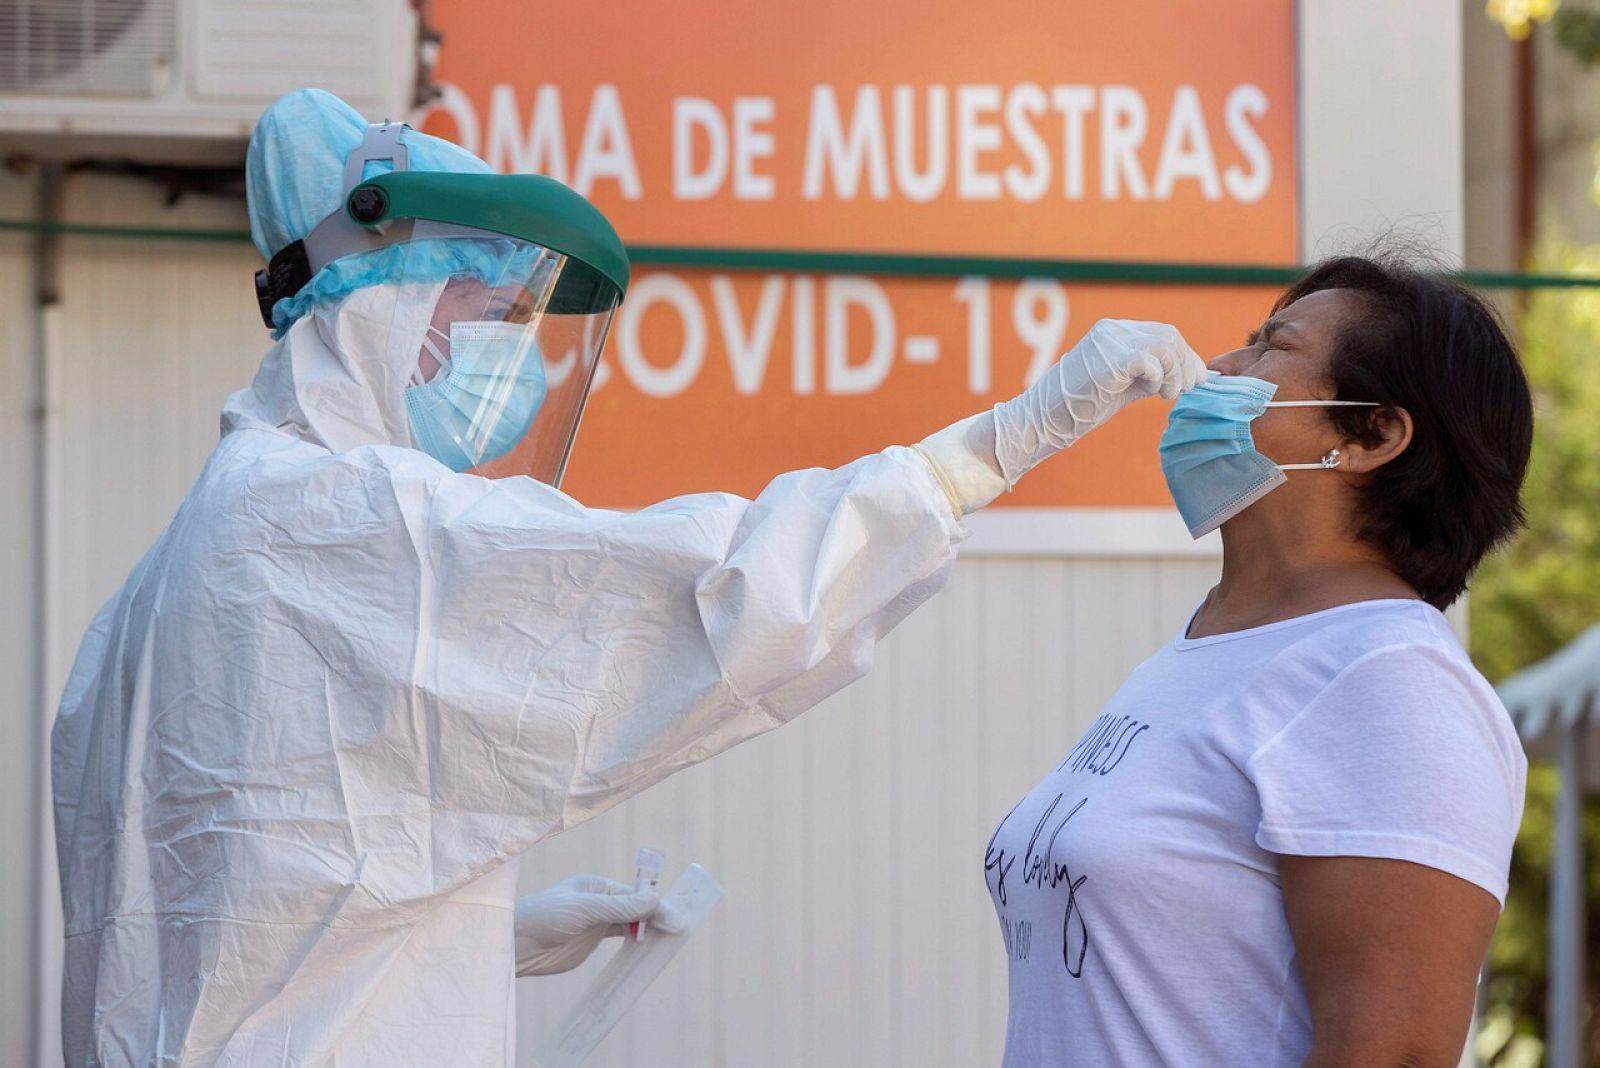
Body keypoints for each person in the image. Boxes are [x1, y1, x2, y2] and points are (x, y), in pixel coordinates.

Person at [49, 88, 1208, 1067]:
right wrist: (1001, 444)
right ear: (388, 299)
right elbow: (717, 595)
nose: (488, 350)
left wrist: (477, 924)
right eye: (480, 307)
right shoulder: (339, 523)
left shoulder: (181, 566)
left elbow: (231, 904)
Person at [984, 253, 1534, 1067]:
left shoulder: (1387, 682)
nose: (1217, 368)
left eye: (1271, 348)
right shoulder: (1204, 650)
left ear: (1374, 433)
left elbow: (1395, 1051)